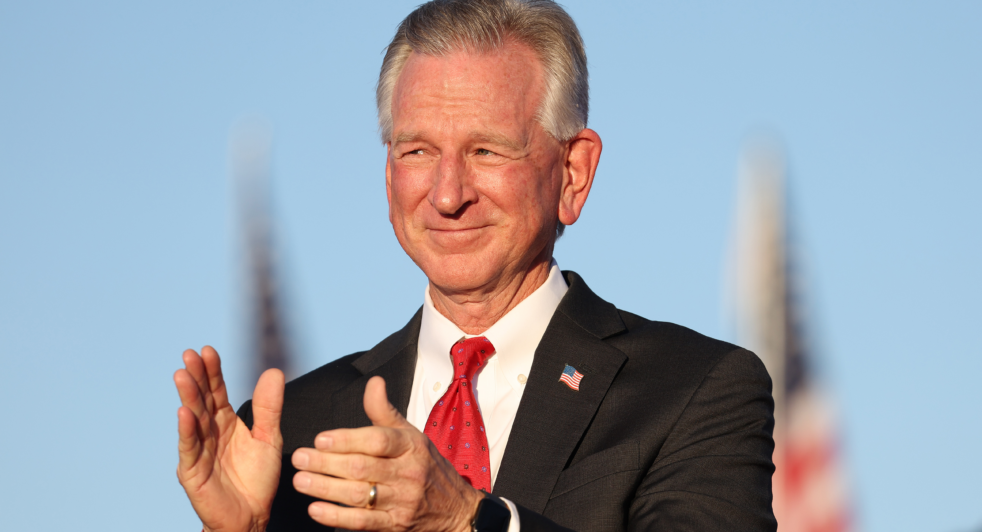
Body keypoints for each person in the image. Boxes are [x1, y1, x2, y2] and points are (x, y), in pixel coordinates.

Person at [173, 1, 776, 531]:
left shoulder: (695, 391)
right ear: (388, 173)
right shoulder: (288, 434)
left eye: (486, 151)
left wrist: (467, 520)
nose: (446, 193)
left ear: (573, 173)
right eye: (418, 151)